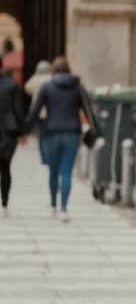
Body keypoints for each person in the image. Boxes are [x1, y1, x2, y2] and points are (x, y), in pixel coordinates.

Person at [24, 56, 94, 222]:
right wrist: (95, 131)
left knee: (53, 172)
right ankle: (64, 208)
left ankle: (53, 205)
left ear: (53, 71)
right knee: (67, 172)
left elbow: (35, 110)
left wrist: (25, 130)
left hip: (51, 132)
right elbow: (88, 110)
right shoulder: (78, 86)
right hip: (72, 133)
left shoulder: (47, 87)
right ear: (69, 69)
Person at [0, 56, 26, 218]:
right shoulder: (11, 85)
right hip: (8, 133)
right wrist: (23, 132)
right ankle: (4, 204)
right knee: (5, 169)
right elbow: (19, 110)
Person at [24, 60, 52, 164]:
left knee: (41, 135)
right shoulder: (52, 78)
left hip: (38, 112)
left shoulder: (35, 79)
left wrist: (35, 76)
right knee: (49, 135)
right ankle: (50, 156)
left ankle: (44, 158)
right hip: (50, 112)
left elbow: (26, 88)